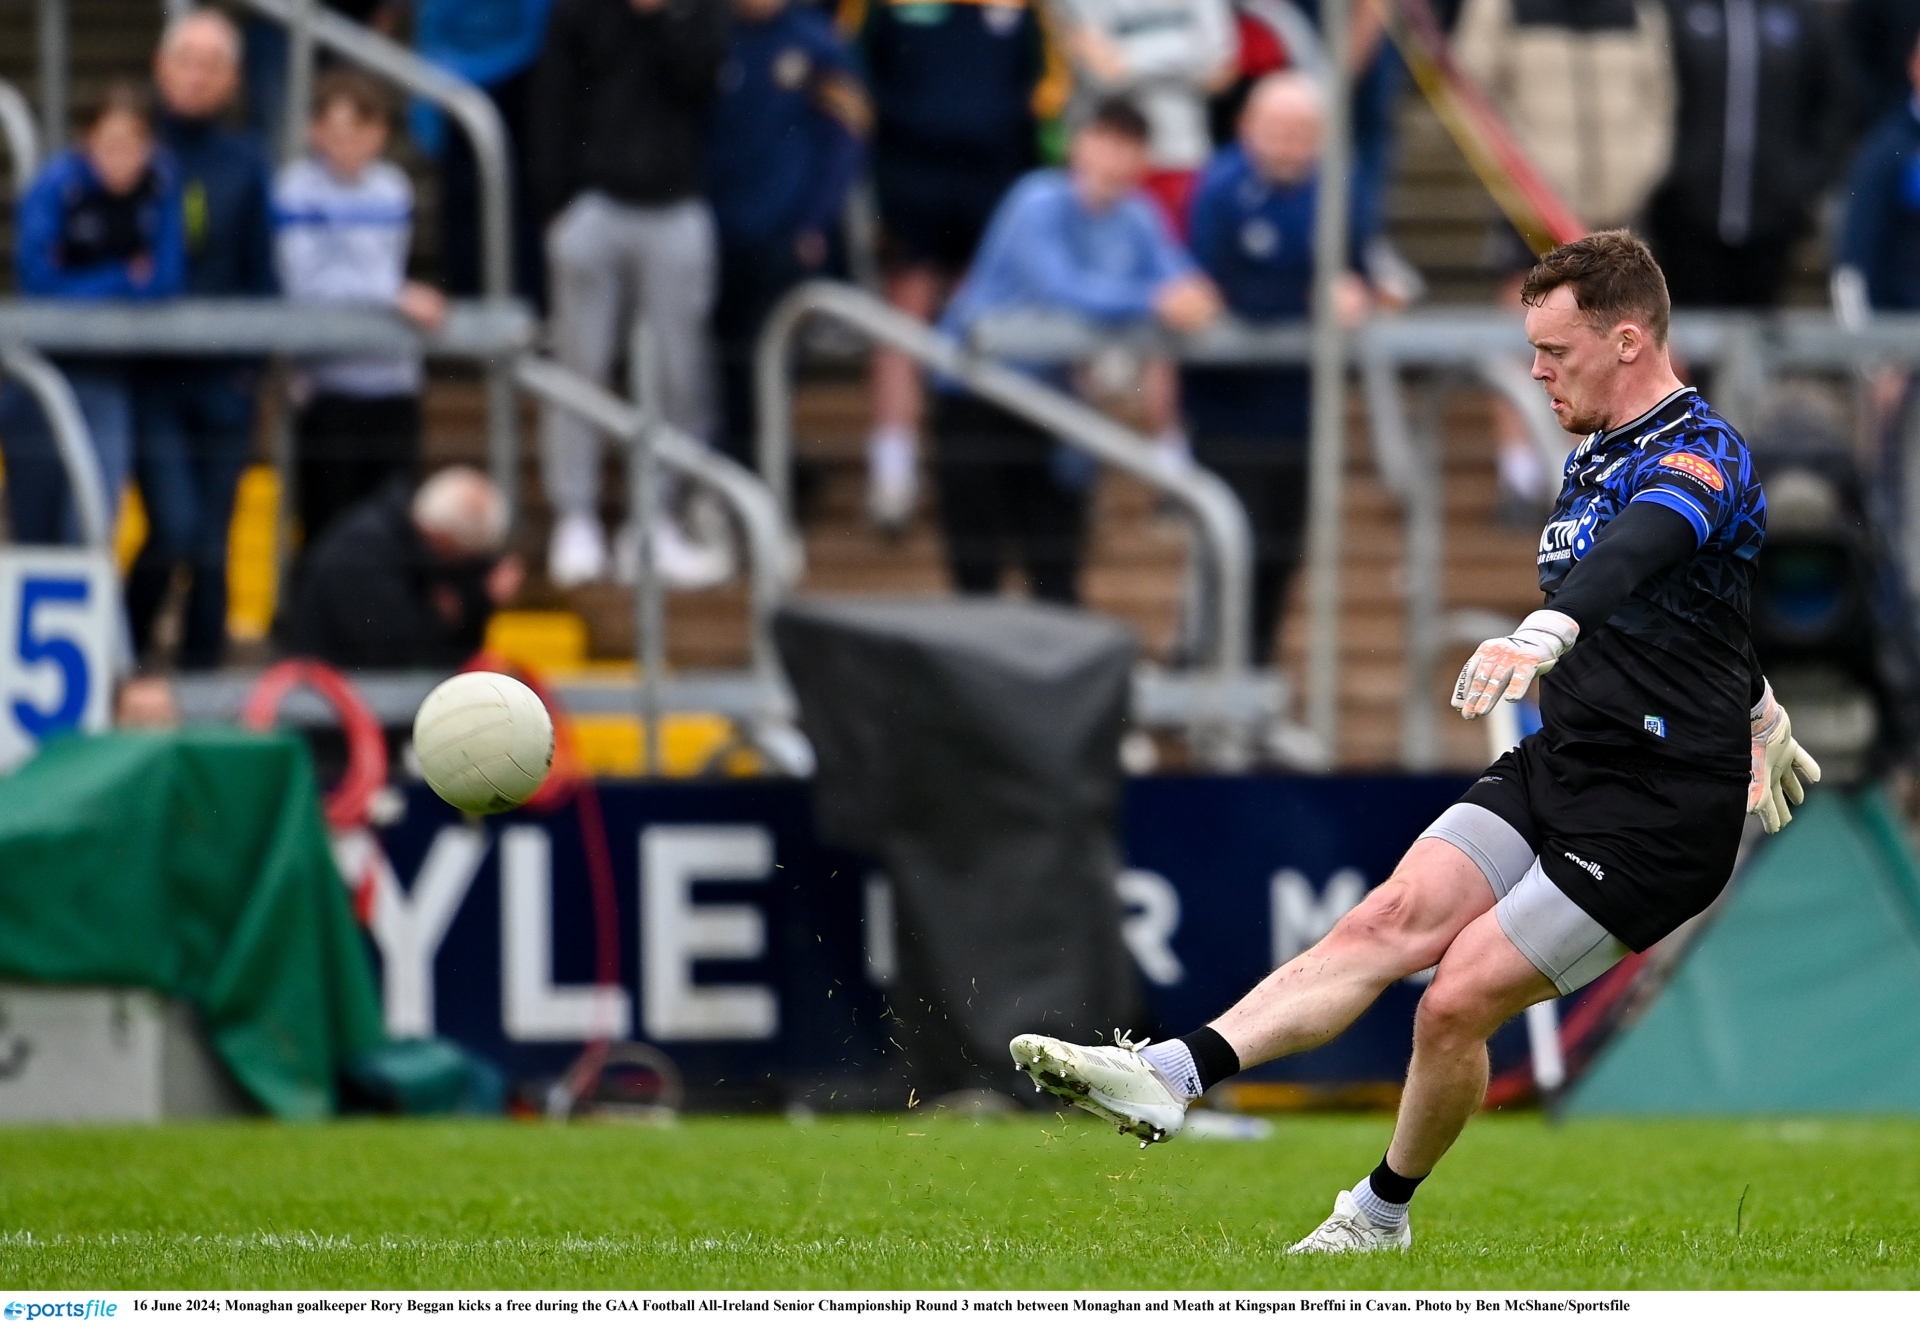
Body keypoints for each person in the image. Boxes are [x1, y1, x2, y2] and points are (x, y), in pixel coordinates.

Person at [1009, 231, 1821, 1250]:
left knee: (1452, 1001)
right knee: (1386, 919)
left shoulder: (1703, 451)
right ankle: (1170, 1074)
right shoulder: (1594, 449)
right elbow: (1693, 604)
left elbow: (1637, 552)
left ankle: (1378, 1212)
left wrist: (1547, 630)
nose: (1537, 371)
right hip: (1567, 762)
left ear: (1627, 340)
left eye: (1554, 351)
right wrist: (1755, 702)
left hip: (1658, 814)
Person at [932, 98, 1220, 604]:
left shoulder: (1138, 215)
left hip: (1055, 402)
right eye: (1104, 141)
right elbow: (1060, 291)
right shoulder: (1036, 199)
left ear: (1143, 159)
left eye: (1127, 146)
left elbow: (1181, 279)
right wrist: (1154, 301)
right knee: (977, 563)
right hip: (978, 393)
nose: (1113, 158)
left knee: (1056, 562)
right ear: (1078, 145)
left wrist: (1196, 296)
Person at [529, 0, 732, 589]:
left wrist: (665, 17)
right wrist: (555, 202)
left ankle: (656, 518)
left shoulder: (700, 11)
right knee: (580, 365)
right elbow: (552, 100)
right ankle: (576, 516)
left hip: (677, 204)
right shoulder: (579, 11)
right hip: (594, 204)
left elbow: (704, 80)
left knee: (679, 371)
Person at [842, 0, 1062, 531]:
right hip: (910, 182)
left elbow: (1049, 88)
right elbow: (853, 78)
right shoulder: (880, 9)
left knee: (980, 320)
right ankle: (893, 471)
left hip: (992, 181)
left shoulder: (1025, 11)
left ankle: (976, 472)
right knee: (903, 315)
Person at [1453, 0, 1673, 523]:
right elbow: (1469, 86)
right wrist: (1516, 170)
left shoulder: (1638, 8)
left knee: (1619, 336)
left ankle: (1611, 469)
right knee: (1525, 329)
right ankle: (1520, 473)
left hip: (1617, 204)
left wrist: (1637, 171)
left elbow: (1659, 97)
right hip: (1529, 198)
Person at [1183, 73, 1369, 664]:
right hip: (1226, 410)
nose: (1290, 143)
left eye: (1303, 131)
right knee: (1231, 546)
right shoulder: (1220, 188)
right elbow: (1219, 292)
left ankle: (1255, 667)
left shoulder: (1339, 188)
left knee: (1282, 552)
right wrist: (1308, 298)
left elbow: (1359, 271)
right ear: (1247, 128)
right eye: (1278, 129)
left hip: (1302, 410)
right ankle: (1210, 665)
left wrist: (1353, 293)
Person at [128, 8, 278, 671]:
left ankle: (203, 685)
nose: (196, 76)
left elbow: (262, 275)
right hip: (150, 382)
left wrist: (251, 373)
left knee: (214, 546)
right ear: (161, 68)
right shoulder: (131, 147)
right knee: (176, 529)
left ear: (233, 79)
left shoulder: (246, 161)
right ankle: (125, 661)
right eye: (186, 60)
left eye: (212, 64)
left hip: (224, 384)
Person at [1, 80, 184, 545]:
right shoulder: (56, 187)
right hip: (39, 373)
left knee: (90, 523)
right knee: (34, 527)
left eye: (133, 145)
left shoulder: (160, 185)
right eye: (110, 145)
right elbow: (40, 283)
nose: (121, 158)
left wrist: (82, 286)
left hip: (109, 377)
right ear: (87, 140)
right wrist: (121, 277)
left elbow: (165, 279)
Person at [274, 69, 446, 551]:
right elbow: (306, 284)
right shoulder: (295, 189)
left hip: (393, 384)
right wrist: (392, 295)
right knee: (328, 528)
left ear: (380, 133)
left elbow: (377, 268)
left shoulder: (393, 188)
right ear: (313, 131)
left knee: (393, 528)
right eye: (333, 130)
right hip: (328, 386)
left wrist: (387, 293)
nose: (344, 144)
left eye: (358, 130)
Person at [707, 0, 869, 467]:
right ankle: (735, 472)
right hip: (717, 234)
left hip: (782, 237)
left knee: (773, 364)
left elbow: (848, 133)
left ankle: (773, 472)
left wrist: (814, 220)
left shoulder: (814, 41)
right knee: (724, 368)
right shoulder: (713, 36)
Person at [1649, 0, 1849, 309]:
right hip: (1684, 219)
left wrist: (1801, 179)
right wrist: (1675, 173)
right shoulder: (1676, 11)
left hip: (1772, 222)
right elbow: (1648, 93)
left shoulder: (1800, 16)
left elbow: (1835, 102)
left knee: (1760, 323)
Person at [280, 467, 524, 668]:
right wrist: (475, 598)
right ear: (443, 539)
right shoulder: (364, 550)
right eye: (464, 557)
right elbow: (397, 651)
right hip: (330, 697)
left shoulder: (396, 538)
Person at [1053, 0, 1237, 236]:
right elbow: (1100, 72)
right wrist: (1184, 52)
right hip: (1102, 163)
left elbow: (1220, 72)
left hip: (1180, 158)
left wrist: (1127, 61)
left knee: (1172, 254)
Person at [411, 0, 552, 302]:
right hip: (456, 88)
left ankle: (525, 304)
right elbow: (434, 30)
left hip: (524, 84)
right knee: (465, 218)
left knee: (522, 212)